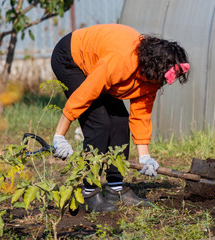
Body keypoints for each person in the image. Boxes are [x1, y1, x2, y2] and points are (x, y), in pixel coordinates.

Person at [50, 24, 190, 212]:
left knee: (119, 121)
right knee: (99, 123)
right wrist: (60, 135)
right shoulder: (122, 61)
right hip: (71, 58)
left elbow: (141, 115)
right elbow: (85, 94)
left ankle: (115, 188)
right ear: (155, 65)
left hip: (100, 65)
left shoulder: (153, 77)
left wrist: (144, 157)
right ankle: (89, 191)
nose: (164, 83)